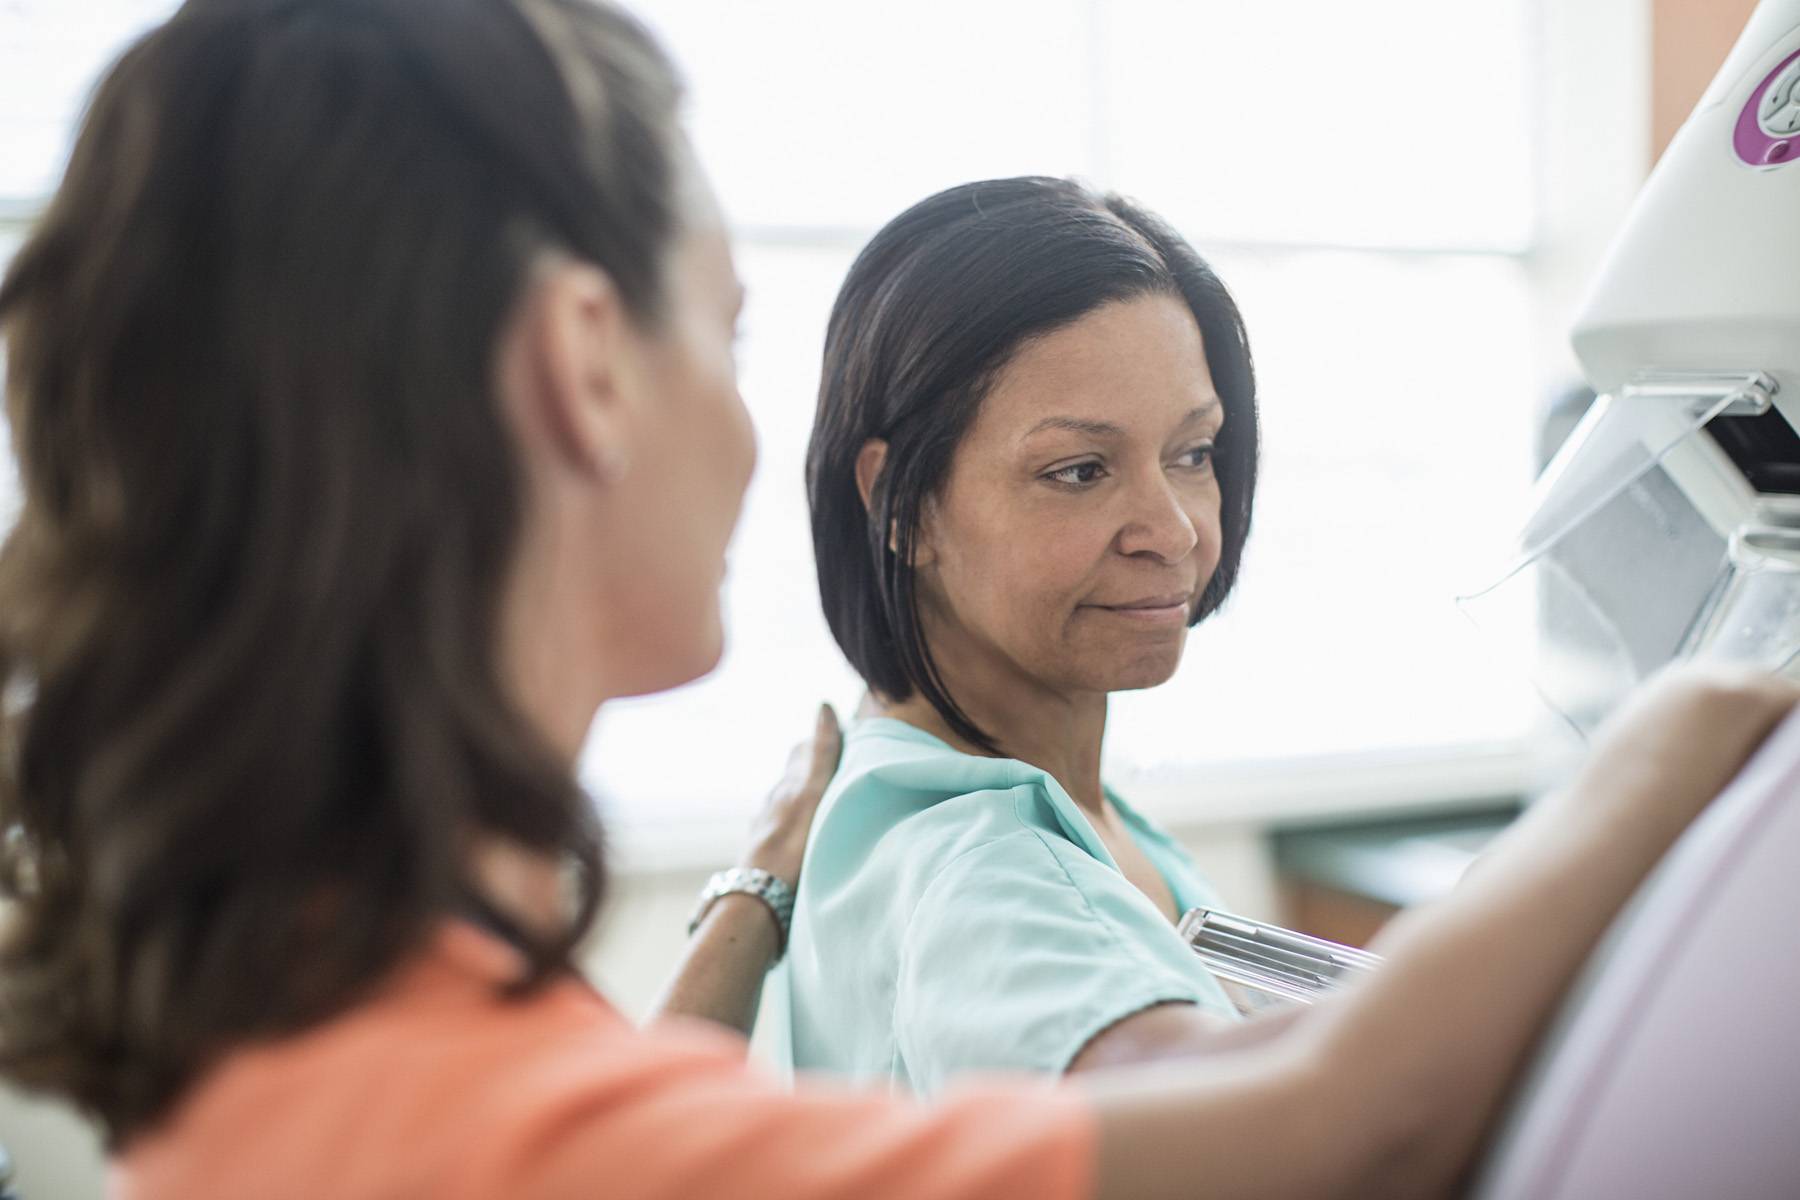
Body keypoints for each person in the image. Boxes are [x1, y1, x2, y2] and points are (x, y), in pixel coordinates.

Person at [0, 2, 1790, 1198]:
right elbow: (1344, 1131)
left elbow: (616, 1101)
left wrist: (760, 886)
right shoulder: (466, 1115)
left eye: (1196, 454)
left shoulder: (335, 1017)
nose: (1169, 521)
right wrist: (1697, 728)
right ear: (584, 367)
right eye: (731, 332)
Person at [782, 177, 1254, 1091]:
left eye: (1192, 454)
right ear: (900, 505)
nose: (1175, 530)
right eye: (1080, 471)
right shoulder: (978, 864)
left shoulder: (1050, 801)